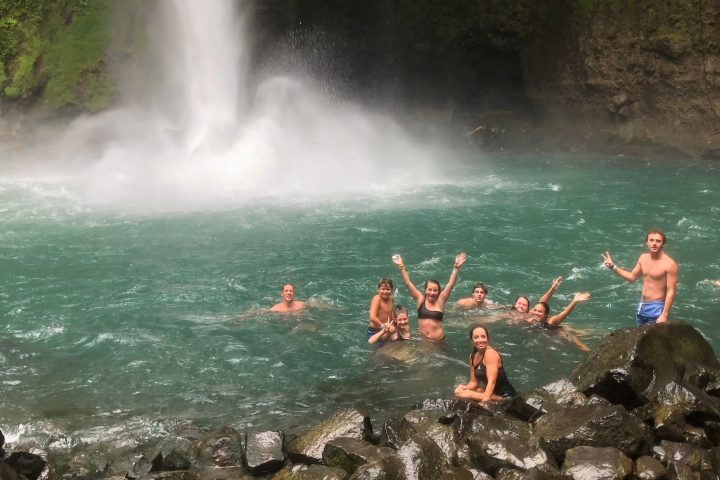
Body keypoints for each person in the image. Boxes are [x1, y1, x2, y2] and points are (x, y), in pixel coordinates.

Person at [602, 228, 678, 325]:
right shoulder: (643, 258)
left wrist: (664, 315)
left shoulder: (669, 264)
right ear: (647, 242)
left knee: (653, 339)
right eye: (651, 240)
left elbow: (671, 290)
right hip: (641, 306)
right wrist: (613, 267)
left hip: (657, 308)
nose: (654, 243)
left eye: (658, 241)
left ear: (662, 244)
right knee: (640, 338)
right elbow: (631, 277)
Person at [392, 252, 467, 341]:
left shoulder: (441, 300)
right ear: (425, 290)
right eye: (430, 290)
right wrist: (401, 266)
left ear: (439, 291)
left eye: (435, 290)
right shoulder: (420, 299)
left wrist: (456, 268)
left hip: (438, 342)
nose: (432, 293)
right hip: (423, 341)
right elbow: (408, 283)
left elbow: (450, 284)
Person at [454, 324, 517, 402]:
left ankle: (496, 398)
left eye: (483, 336)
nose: (480, 340)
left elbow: (492, 382)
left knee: (472, 393)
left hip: (506, 396)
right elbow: (474, 382)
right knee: (461, 392)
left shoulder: (490, 353)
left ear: (487, 338)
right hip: (492, 392)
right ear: (472, 340)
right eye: (476, 337)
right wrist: (464, 388)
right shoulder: (472, 356)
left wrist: (484, 402)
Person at [526, 293, 591, 351]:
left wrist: (574, 301)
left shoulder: (551, 321)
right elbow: (541, 302)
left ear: (545, 314)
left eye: (540, 311)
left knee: (581, 346)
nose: (536, 313)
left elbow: (565, 313)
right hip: (553, 330)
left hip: (561, 333)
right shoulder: (531, 317)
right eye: (535, 310)